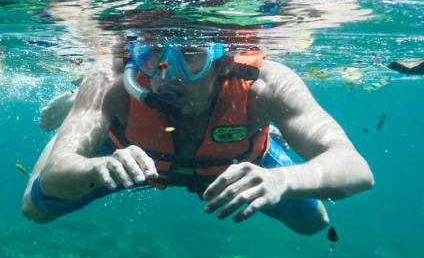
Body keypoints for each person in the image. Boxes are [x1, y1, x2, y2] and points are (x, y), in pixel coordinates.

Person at [21, 40, 373, 235]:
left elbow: (355, 169)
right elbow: (52, 182)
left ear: (223, 62)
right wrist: (95, 167)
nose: (166, 74)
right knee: (35, 209)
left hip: (235, 162)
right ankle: (73, 123)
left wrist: (282, 180)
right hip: (124, 154)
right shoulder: (110, 84)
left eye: (190, 56)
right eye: (153, 53)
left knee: (314, 224)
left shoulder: (265, 85)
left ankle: (269, 134)